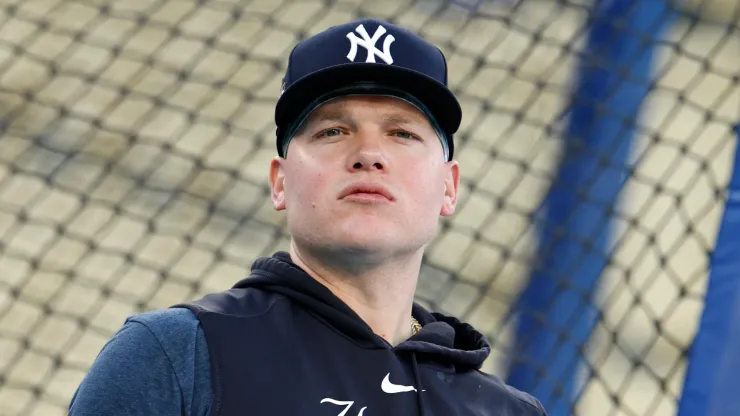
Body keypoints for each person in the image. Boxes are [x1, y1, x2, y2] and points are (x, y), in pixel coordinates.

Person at [68, 18, 547, 416]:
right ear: (280, 182)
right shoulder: (177, 354)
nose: (368, 154)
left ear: (449, 187)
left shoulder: (508, 411)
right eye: (333, 130)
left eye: (402, 133)